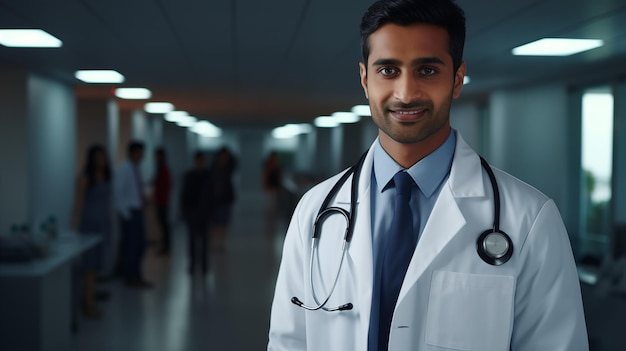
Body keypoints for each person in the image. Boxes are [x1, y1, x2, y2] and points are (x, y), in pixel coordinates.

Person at [267, 0, 589, 350]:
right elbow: (289, 342)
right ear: (365, 79)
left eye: (427, 71)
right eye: (388, 70)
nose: (405, 94)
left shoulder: (530, 219)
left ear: (457, 79)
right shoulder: (314, 210)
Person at [71, 144, 112, 318]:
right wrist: (73, 228)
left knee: (95, 268)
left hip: (102, 226)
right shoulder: (85, 178)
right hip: (89, 226)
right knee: (88, 267)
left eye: (103, 157)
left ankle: (90, 298)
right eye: (98, 157)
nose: (101, 160)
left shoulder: (106, 176)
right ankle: (88, 304)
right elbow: (78, 204)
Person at [113, 140, 152, 288]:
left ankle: (136, 275)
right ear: (131, 152)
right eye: (139, 153)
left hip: (137, 210)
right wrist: (126, 214)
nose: (141, 156)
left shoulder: (136, 169)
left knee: (140, 246)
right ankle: (131, 277)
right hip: (130, 213)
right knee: (132, 247)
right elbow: (117, 193)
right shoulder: (124, 170)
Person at [180, 151, 212, 275]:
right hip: (192, 213)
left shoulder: (207, 175)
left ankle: (204, 266)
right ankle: (192, 265)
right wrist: (184, 210)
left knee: (204, 241)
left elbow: (211, 196)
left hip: (204, 213)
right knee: (192, 241)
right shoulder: (189, 176)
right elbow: (184, 195)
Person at [208, 147, 237, 251]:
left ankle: (221, 243)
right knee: (215, 223)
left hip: (225, 199)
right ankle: (214, 243)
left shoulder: (228, 168)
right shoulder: (215, 167)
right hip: (215, 200)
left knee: (224, 223)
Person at [153, 147, 172, 255]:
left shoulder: (163, 169)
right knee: (163, 226)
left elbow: (166, 185)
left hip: (162, 202)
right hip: (161, 201)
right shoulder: (160, 168)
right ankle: (165, 246)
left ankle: (166, 247)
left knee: (164, 226)